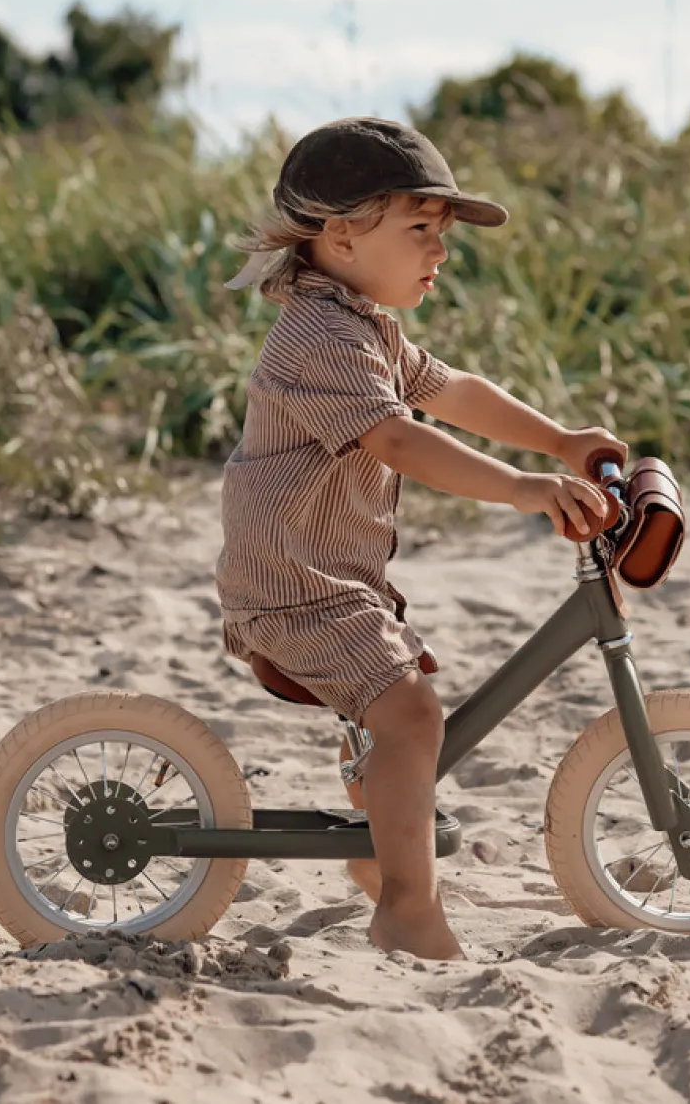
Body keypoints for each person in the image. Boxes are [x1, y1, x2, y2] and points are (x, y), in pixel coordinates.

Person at [216, 117, 628, 961]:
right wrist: (521, 487)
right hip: (296, 582)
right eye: (419, 231)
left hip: (333, 573)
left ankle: (378, 851)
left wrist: (559, 441)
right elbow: (398, 438)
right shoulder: (319, 338)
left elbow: (451, 390)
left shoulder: (365, 324)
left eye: (442, 235)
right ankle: (406, 906)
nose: (439, 252)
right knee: (408, 713)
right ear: (339, 235)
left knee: (391, 708)